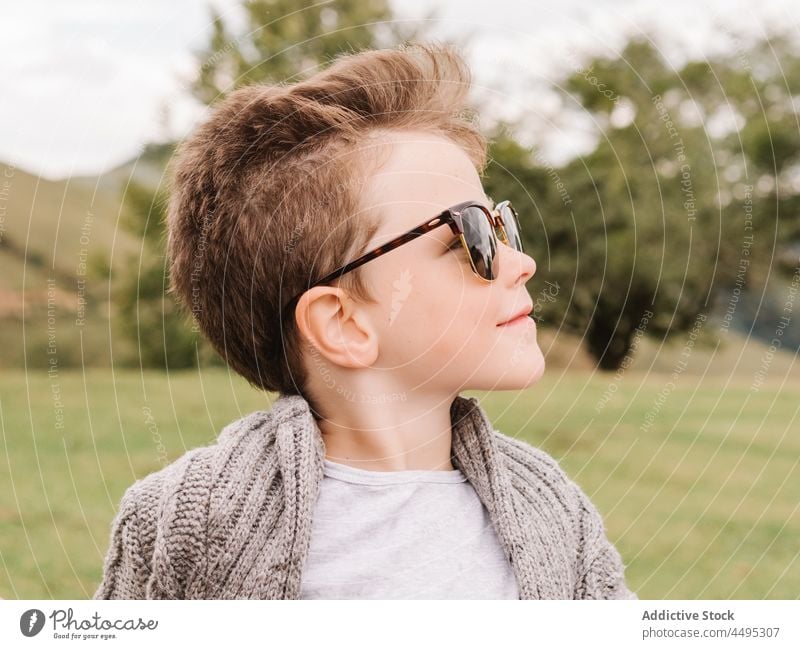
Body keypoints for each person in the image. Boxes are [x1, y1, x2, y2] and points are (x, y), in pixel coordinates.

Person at [94, 43, 636, 600]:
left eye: (502, 228)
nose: (521, 264)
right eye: (469, 238)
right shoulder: (189, 519)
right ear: (343, 323)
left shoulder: (552, 510)